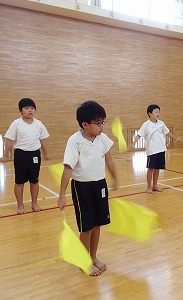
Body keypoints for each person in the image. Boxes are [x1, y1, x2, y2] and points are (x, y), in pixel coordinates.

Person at [57, 101, 117, 276]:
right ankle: (84, 262)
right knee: (86, 228)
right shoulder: (75, 141)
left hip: (100, 185)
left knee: (97, 225)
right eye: (98, 123)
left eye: (103, 122)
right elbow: (68, 168)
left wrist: (114, 178)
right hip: (81, 187)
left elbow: (109, 160)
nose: (101, 127)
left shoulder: (103, 139)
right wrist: (62, 195)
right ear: (85, 124)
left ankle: (93, 257)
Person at [4, 98, 50, 215]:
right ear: (21, 111)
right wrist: (5, 155)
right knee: (19, 182)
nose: (30, 110)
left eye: (32, 108)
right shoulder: (16, 124)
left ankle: (34, 203)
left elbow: (43, 140)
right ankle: (20, 205)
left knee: (34, 181)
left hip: (35, 155)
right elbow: (9, 140)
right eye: (26, 108)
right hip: (21, 155)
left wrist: (46, 153)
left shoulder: (39, 124)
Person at [132, 104, 180, 194]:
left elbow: (167, 132)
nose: (158, 114)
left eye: (159, 112)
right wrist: (133, 143)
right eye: (156, 112)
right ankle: (149, 187)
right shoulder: (146, 124)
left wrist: (175, 138)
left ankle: (155, 185)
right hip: (152, 150)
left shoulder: (161, 123)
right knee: (151, 169)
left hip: (161, 149)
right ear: (149, 113)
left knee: (157, 169)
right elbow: (139, 135)